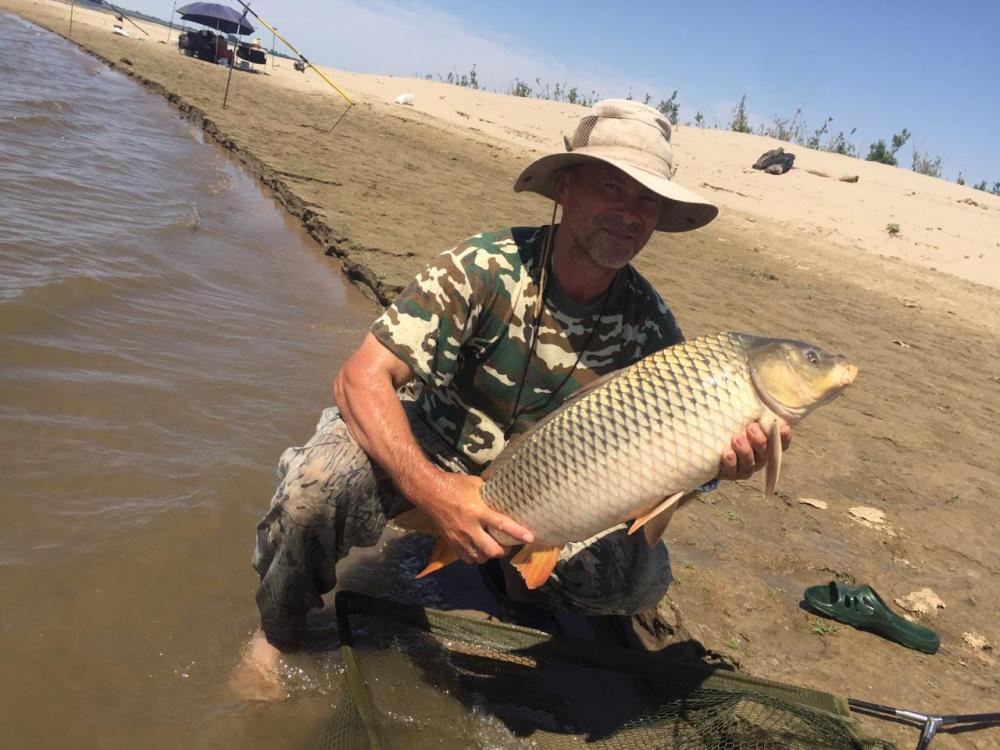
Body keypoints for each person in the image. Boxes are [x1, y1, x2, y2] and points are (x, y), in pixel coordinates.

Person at [232, 99, 791, 699]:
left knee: (630, 581)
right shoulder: (486, 266)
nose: (630, 214)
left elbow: (669, 474)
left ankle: (517, 571)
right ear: (566, 189)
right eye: (613, 187)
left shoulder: (651, 325)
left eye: (647, 200)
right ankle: (277, 633)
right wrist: (433, 490)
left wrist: (724, 467)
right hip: (434, 449)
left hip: (552, 482)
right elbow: (359, 377)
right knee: (312, 489)